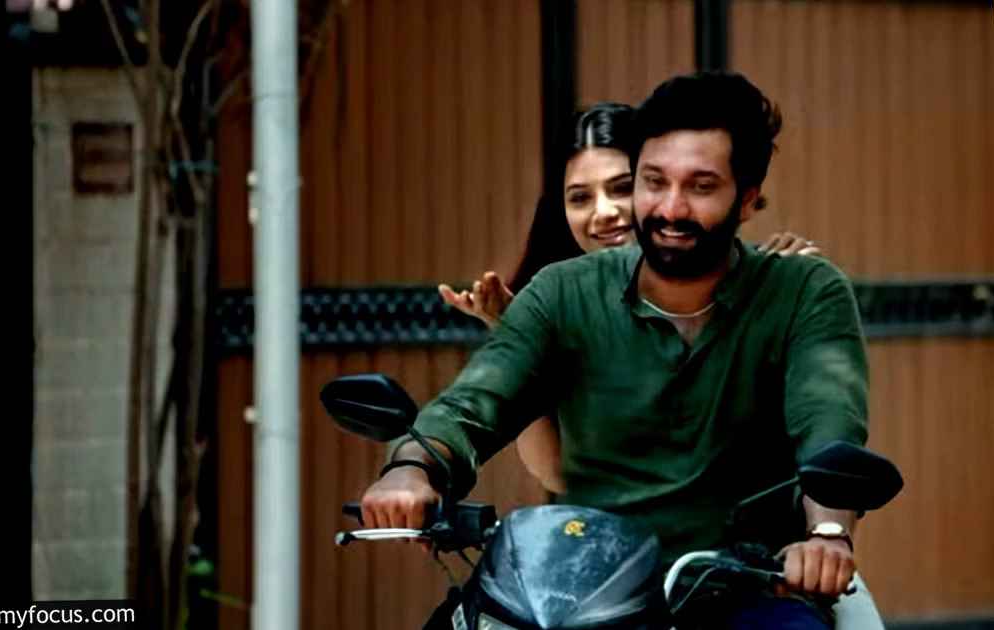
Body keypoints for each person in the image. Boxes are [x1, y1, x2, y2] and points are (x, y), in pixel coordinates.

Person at [365, 71, 867, 628]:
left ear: (747, 199)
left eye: (700, 187)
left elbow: (829, 427)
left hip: (749, 589)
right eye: (653, 182)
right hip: (580, 589)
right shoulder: (561, 291)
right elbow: (476, 402)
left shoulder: (804, 291)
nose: (670, 208)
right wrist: (412, 468)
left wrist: (827, 534)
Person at [438, 103, 820, 495]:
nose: (603, 212)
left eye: (622, 188)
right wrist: (514, 335)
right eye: (580, 198)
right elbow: (557, 473)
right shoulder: (566, 309)